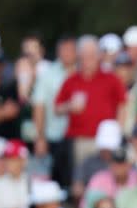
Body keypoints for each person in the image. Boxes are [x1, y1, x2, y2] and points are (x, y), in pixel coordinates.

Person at [54, 35, 127, 181]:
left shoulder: (111, 78)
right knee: (80, 178)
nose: (89, 59)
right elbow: (57, 108)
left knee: (106, 178)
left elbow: (122, 105)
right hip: (80, 139)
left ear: (99, 55)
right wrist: (69, 106)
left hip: (106, 141)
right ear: (79, 56)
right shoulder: (71, 80)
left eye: (92, 55)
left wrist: (118, 131)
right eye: (85, 55)